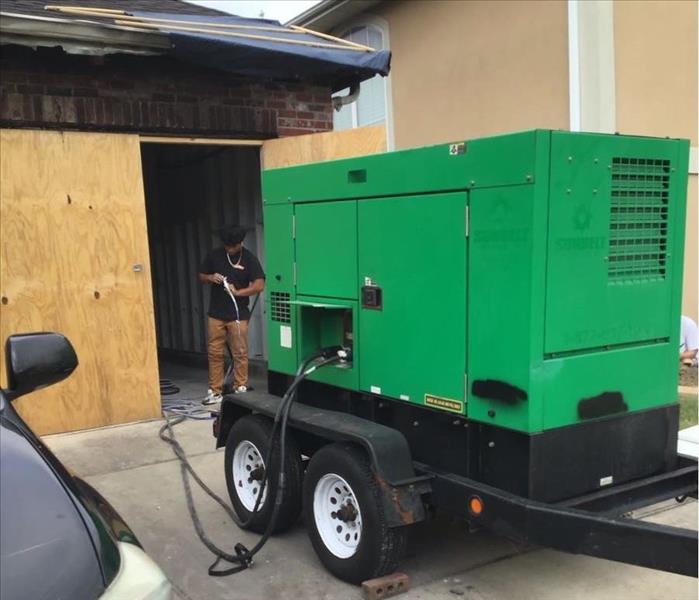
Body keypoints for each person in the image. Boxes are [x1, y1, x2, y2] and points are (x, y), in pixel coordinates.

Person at [198, 226, 265, 405]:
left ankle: (240, 386)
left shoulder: (249, 259)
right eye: (226, 245)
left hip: (238, 314)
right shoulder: (214, 255)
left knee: (240, 352)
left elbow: (259, 285)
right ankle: (215, 391)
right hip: (216, 313)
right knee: (214, 352)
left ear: (240, 243)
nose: (229, 249)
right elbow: (201, 276)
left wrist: (239, 293)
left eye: (233, 246)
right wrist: (211, 277)